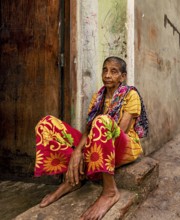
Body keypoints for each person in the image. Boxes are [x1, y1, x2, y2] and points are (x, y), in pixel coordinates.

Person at [34, 56, 148, 219]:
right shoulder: (98, 97)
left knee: (102, 121)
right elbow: (89, 129)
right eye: (105, 70)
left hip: (123, 145)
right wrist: (77, 152)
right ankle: (73, 180)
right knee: (47, 124)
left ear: (122, 77)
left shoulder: (131, 95)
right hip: (97, 142)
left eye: (113, 71)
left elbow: (118, 131)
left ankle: (110, 191)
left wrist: (85, 150)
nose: (107, 75)